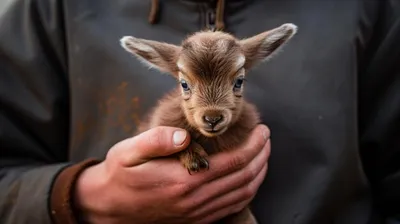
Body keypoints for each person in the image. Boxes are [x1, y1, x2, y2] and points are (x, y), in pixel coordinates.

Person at [0, 0, 399, 223]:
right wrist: (83, 196)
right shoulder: (55, 10)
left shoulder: (368, 9)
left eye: (235, 83)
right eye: (188, 85)